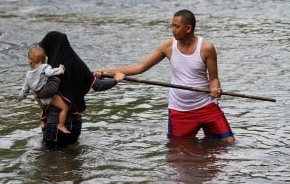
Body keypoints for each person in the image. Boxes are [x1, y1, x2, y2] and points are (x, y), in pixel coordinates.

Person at [95, 9, 235, 143]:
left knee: (228, 142)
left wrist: (215, 89)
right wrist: (106, 72)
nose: (173, 29)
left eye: (176, 26)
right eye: (172, 25)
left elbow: (214, 78)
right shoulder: (167, 46)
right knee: (180, 151)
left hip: (206, 106)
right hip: (179, 110)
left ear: (188, 28)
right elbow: (140, 67)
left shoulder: (206, 48)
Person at [35, 31, 125, 147]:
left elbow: (43, 93)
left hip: (55, 122)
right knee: (72, 159)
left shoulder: (49, 69)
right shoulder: (78, 64)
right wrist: (115, 80)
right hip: (75, 123)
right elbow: (97, 86)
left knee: (49, 159)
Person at [17, 46, 71, 134]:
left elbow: (25, 89)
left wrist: (21, 97)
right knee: (65, 108)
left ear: (30, 61)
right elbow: (50, 72)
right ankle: (61, 125)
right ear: (44, 60)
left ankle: (42, 122)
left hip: (40, 99)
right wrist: (61, 69)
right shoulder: (44, 67)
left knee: (44, 109)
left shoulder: (28, 75)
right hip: (50, 97)